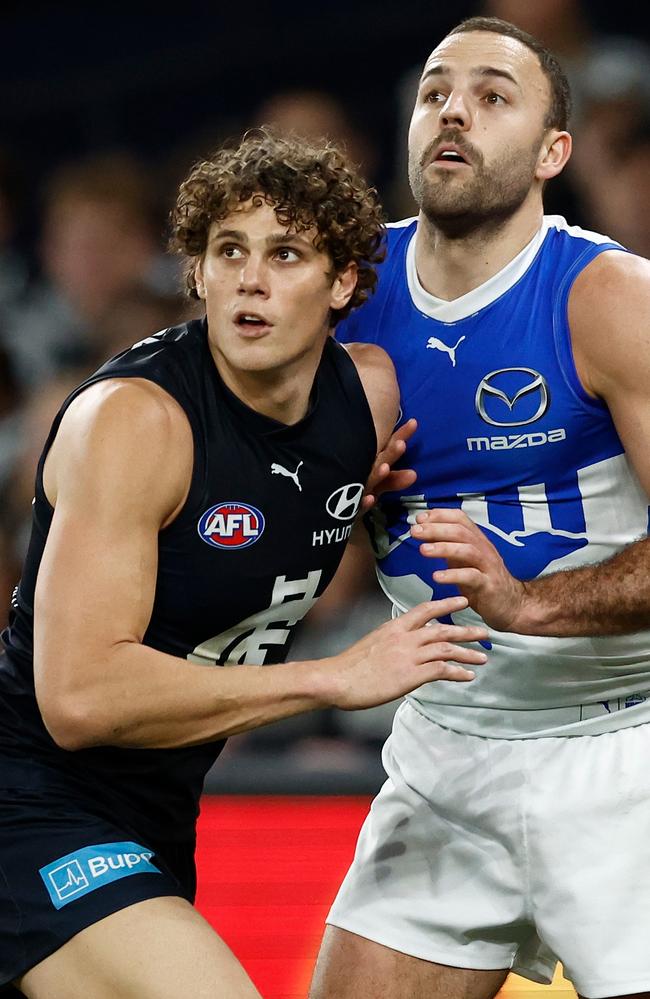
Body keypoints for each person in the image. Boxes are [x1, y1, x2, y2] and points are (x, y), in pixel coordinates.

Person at [0, 131, 489, 998]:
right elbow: (78, 697)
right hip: (32, 807)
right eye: (229, 250)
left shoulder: (365, 400)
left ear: (343, 284)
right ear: (198, 273)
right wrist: (328, 679)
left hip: (157, 815)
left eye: (286, 252)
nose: (250, 279)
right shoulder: (136, 422)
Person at [310, 17, 650, 999]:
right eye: (433, 91)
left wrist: (530, 603)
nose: (452, 109)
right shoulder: (338, 293)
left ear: (553, 154)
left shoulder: (609, 298)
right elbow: (278, 554)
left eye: (493, 95)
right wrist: (323, 494)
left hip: (620, 751)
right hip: (443, 751)